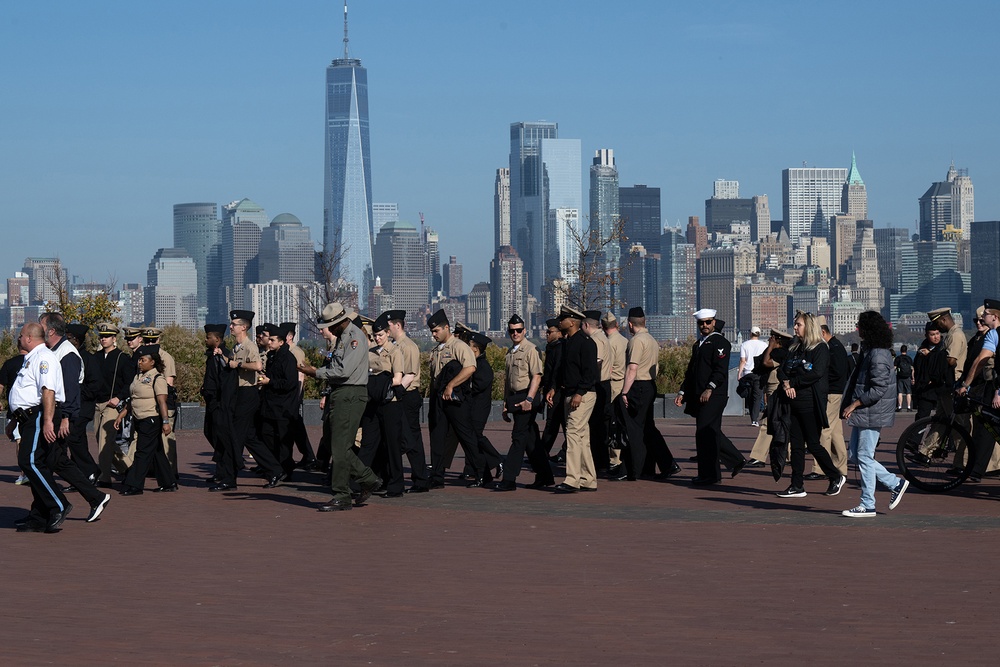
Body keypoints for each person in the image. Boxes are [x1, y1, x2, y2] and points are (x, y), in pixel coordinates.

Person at [299, 303, 383, 511]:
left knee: (339, 446)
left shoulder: (354, 338)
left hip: (350, 392)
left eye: (330, 325)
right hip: (341, 393)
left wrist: (314, 372)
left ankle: (342, 494)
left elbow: (343, 371)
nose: (327, 329)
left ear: (339, 322)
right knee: (332, 441)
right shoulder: (344, 337)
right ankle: (367, 479)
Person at [38, 312, 110, 518]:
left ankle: (53, 506)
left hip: (61, 414)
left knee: (46, 461)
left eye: (41, 326)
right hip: (56, 413)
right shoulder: (53, 351)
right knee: (54, 461)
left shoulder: (68, 355)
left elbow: (69, 389)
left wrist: (66, 418)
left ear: (51, 330)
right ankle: (92, 497)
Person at [840, 311, 909, 517]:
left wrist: (854, 405)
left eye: (859, 325)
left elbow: (878, 389)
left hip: (871, 411)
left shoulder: (878, 354)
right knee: (855, 454)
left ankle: (868, 503)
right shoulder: (870, 350)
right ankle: (893, 483)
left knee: (864, 455)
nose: (856, 328)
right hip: (866, 411)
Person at [210, 310, 285, 492]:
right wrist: (224, 357)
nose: (231, 327)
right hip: (238, 393)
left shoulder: (249, 346)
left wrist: (239, 364)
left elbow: (257, 366)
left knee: (233, 436)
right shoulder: (237, 347)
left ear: (244, 327)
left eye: (234, 324)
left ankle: (229, 478)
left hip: (247, 394)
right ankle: (275, 469)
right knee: (250, 437)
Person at [774, 311, 846, 499]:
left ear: (809, 327)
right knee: (796, 445)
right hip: (793, 403)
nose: (795, 328)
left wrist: (793, 383)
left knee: (813, 443)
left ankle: (835, 476)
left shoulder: (820, 349)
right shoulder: (794, 347)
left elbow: (816, 373)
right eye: (795, 324)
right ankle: (796, 485)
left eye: (799, 324)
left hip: (810, 402)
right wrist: (785, 383)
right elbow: (782, 370)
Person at [10, 323, 72, 532]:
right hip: (27, 418)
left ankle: (58, 504)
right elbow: (24, 393)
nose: (18, 339)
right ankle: (39, 516)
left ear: (28, 337)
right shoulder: (32, 358)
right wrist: (13, 421)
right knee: (36, 464)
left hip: (38, 415)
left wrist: (47, 421)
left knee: (30, 461)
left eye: (20, 336)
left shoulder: (43, 357)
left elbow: (48, 391)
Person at [675, 308, 745, 485]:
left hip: (714, 395)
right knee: (708, 433)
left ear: (714, 322)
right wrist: (683, 391)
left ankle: (712, 475)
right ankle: (725, 466)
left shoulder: (720, 342)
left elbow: (720, 371)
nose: (704, 325)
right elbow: (691, 372)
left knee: (706, 433)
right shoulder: (698, 344)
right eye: (701, 323)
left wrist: (710, 388)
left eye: (707, 322)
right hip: (699, 395)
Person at [423, 309, 487, 488]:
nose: (433, 335)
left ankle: (481, 473)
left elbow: (470, 367)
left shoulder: (458, 346)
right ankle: (437, 476)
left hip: (455, 399)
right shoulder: (437, 350)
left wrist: (451, 385)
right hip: (439, 398)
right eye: (432, 332)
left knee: (466, 436)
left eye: (436, 331)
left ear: (446, 328)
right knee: (437, 436)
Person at [618, 307, 678, 482]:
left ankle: (635, 468)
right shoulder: (652, 340)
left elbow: (632, 368)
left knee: (635, 428)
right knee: (647, 427)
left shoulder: (636, 341)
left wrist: (624, 392)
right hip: (649, 384)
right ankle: (653, 466)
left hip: (638, 386)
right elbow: (656, 367)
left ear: (630, 324)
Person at [546, 305, 599, 493]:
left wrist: (580, 392)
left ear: (572, 322)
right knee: (582, 437)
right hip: (569, 393)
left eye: (563, 319)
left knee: (573, 434)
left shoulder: (586, 343)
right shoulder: (567, 343)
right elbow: (563, 370)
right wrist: (553, 387)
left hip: (582, 395)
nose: (559, 322)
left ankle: (572, 479)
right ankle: (588, 478)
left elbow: (590, 372)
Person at [497, 315, 551, 491]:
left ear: (525, 330)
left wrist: (529, 399)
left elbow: (537, 376)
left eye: (519, 330)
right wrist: (506, 403)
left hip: (527, 397)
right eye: (512, 330)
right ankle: (545, 476)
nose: (515, 333)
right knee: (530, 438)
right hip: (515, 397)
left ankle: (509, 479)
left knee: (518, 437)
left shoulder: (531, 350)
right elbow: (508, 381)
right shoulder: (510, 352)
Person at [114, 345, 177, 495]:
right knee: (157, 452)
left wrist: (166, 422)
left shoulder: (157, 378)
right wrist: (121, 414)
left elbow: (162, 402)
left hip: (151, 419)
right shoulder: (138, 377)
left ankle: (134, 485)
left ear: (152, 362)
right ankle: (169, 482)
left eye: (143, 360)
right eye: (139, 360)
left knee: (142, 452)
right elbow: (133, 398)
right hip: (139, 418)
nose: (139, 362)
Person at [914, 307, 968, 462]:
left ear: (944, 320)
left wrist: (932, 356)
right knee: (940, 420)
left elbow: (951, 360)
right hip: (946, 385)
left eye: (938, 324)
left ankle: (962, 462)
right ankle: (925, 452)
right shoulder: (951, 335)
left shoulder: (956, 335)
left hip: (953, 383)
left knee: (957, 425)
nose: (938, 328)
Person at [385, 311, 429, 493]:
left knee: (411, 439)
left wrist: (395, 393)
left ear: (397, 325)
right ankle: (418, 479)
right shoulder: (396, 346)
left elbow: (410, 374)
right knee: (407, 438)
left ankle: (420, 480)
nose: (387, 331)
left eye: (388, 327)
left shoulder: (408, 347)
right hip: (400, 394)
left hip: (407, 395)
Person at [92, 322, 134, 488]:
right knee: (103, 441)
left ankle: (105, 477)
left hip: (112, 405)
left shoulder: (122, 358)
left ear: (114, 338)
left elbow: (129, 383)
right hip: (97, 404)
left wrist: (119, 397)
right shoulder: (95, 357)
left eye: (107, 337)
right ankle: (129, 467)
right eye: (101, 336)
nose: (103, 339)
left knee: (105, 440)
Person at [807, 321, 849, 480]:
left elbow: (836, 371)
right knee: (836, 432)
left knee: (824, 430)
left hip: (831, 393)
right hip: (836, 392)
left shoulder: (833, 348)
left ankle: (820, 469)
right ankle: (840, 466)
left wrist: (821, 379)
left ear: (823, 333)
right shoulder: (837, 346)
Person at [746, 329, 793, 466]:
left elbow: (766, 362)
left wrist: (771, 346)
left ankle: (758, 456)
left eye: (772, 338)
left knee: (768, 421)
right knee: (782, 420)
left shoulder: (781, 354)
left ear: (778, 339)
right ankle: (789, 455)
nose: (769, 339)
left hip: (776, 387)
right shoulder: (775, 352)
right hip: (770, 387)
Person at [258, 323, 300, 479]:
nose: (270, 343)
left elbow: (290, 383)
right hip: (270, 406)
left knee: (283, 441)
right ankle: (275, 467)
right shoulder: (272, 356)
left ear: (281, 342)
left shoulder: (288, 358)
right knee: (267, 435)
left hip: (283, 407)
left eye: (273, 340)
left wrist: (270, 382)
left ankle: (285, 470)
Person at [64, 322, 101, 483]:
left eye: (69, 338)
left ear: (77, 341)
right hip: (73, 405)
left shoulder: (87, 359)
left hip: (83, 406)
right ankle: (79, 476)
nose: (66, 340)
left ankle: (91, 470)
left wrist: (78, 393)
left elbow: (96, 384)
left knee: (73, 438)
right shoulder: (68, 356)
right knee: (77, 440)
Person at [141, 327, 178, 479]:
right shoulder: (142, 356)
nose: (149, 344)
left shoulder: (166, 358)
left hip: (164, 404)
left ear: (158, 340)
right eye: (147, 341)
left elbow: (168, 384)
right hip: (148, 406)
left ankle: (171, 472)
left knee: (166, 438)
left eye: (152, 341)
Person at [282, 322, 318, 470]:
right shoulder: (285, 351)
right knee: (295, 426)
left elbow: (300, 374)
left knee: (296, 425)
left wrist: (297, 396)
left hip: (295, 392)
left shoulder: (295, 351)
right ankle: (307, 456)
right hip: (289, 393)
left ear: (290, 336)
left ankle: (309, 456)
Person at [199, 324, 233, 482]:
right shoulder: (212, 355)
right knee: (210, 433)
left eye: (208, 337)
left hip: (219, 402)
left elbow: (224, 380)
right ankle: (221, 469)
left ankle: (225, 470)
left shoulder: (224, 355)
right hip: (212, 401)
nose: (206, 340)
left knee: (220, 437)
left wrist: (218, 398)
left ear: (217, 339)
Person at [602, 313, 628, 476]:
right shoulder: (625, 341)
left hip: (612, 386)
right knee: (621, 424)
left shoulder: (607, 344)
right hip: (624, 384)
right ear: (616, 325)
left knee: (611, 425)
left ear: (603, 327)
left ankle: (614, 459)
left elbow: (606, 367)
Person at [539, 319, 566, 459]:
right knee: (556, 423)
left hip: (557, 392)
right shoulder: (551, 347)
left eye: (550, 332)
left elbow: (557, 371)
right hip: (551, 390)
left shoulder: (560, 347)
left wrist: (553, 389)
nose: (547, 334)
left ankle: (542, 453)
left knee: (553, 423)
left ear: (559, 333)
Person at [912, 322, 948, 420]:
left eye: (937, 334)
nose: (936, 337)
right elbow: (917, 367)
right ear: (927, 335)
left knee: (945, 418)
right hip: (925, 389)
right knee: (921, 418)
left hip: (940, 388)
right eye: (932, 335)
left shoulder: (944, 348)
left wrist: (930, 356)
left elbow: (943, 366)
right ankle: (916, 435)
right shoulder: (921, 350)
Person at [738, 326, 768, 426]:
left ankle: (753, 417)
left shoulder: (744, 344)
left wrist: (739, 373)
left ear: (751, 333)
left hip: (747, 373)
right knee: (757, 396)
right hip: (758, 373)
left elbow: (743, 360)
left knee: (749, 396)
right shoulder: (764, 345)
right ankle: (754, 420)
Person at [895, 344, 914, 412]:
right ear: (906, 350)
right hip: (907, 377)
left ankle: (899, 406)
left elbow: (895, 368)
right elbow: (912, 369)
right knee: (908, 392)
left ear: (900, 350)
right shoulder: (909, 358)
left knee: (900, 392)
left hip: (900, 377)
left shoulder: (898, 358)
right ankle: (909, 407)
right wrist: (913, 378)